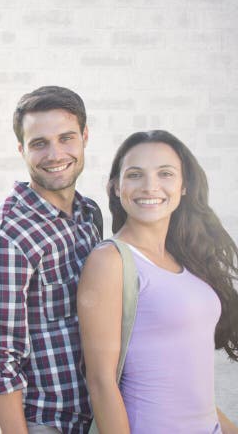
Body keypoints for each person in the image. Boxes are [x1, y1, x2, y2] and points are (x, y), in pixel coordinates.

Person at [78, 130, 238, 433]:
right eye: (135, 175)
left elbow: (188, 381)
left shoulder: (185, 259)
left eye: (165, 173)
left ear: (184, 185)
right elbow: (101, 383)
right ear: (115, 187)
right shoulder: (110, 260)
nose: (150, 186)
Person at [0, 86, 101, 434]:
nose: (55, 154)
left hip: (95, 418)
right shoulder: (4, 234)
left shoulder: (89, 215)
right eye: (39, 143)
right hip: (40, 424)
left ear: (85, 137)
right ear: (21, 149)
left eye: (66, 138)